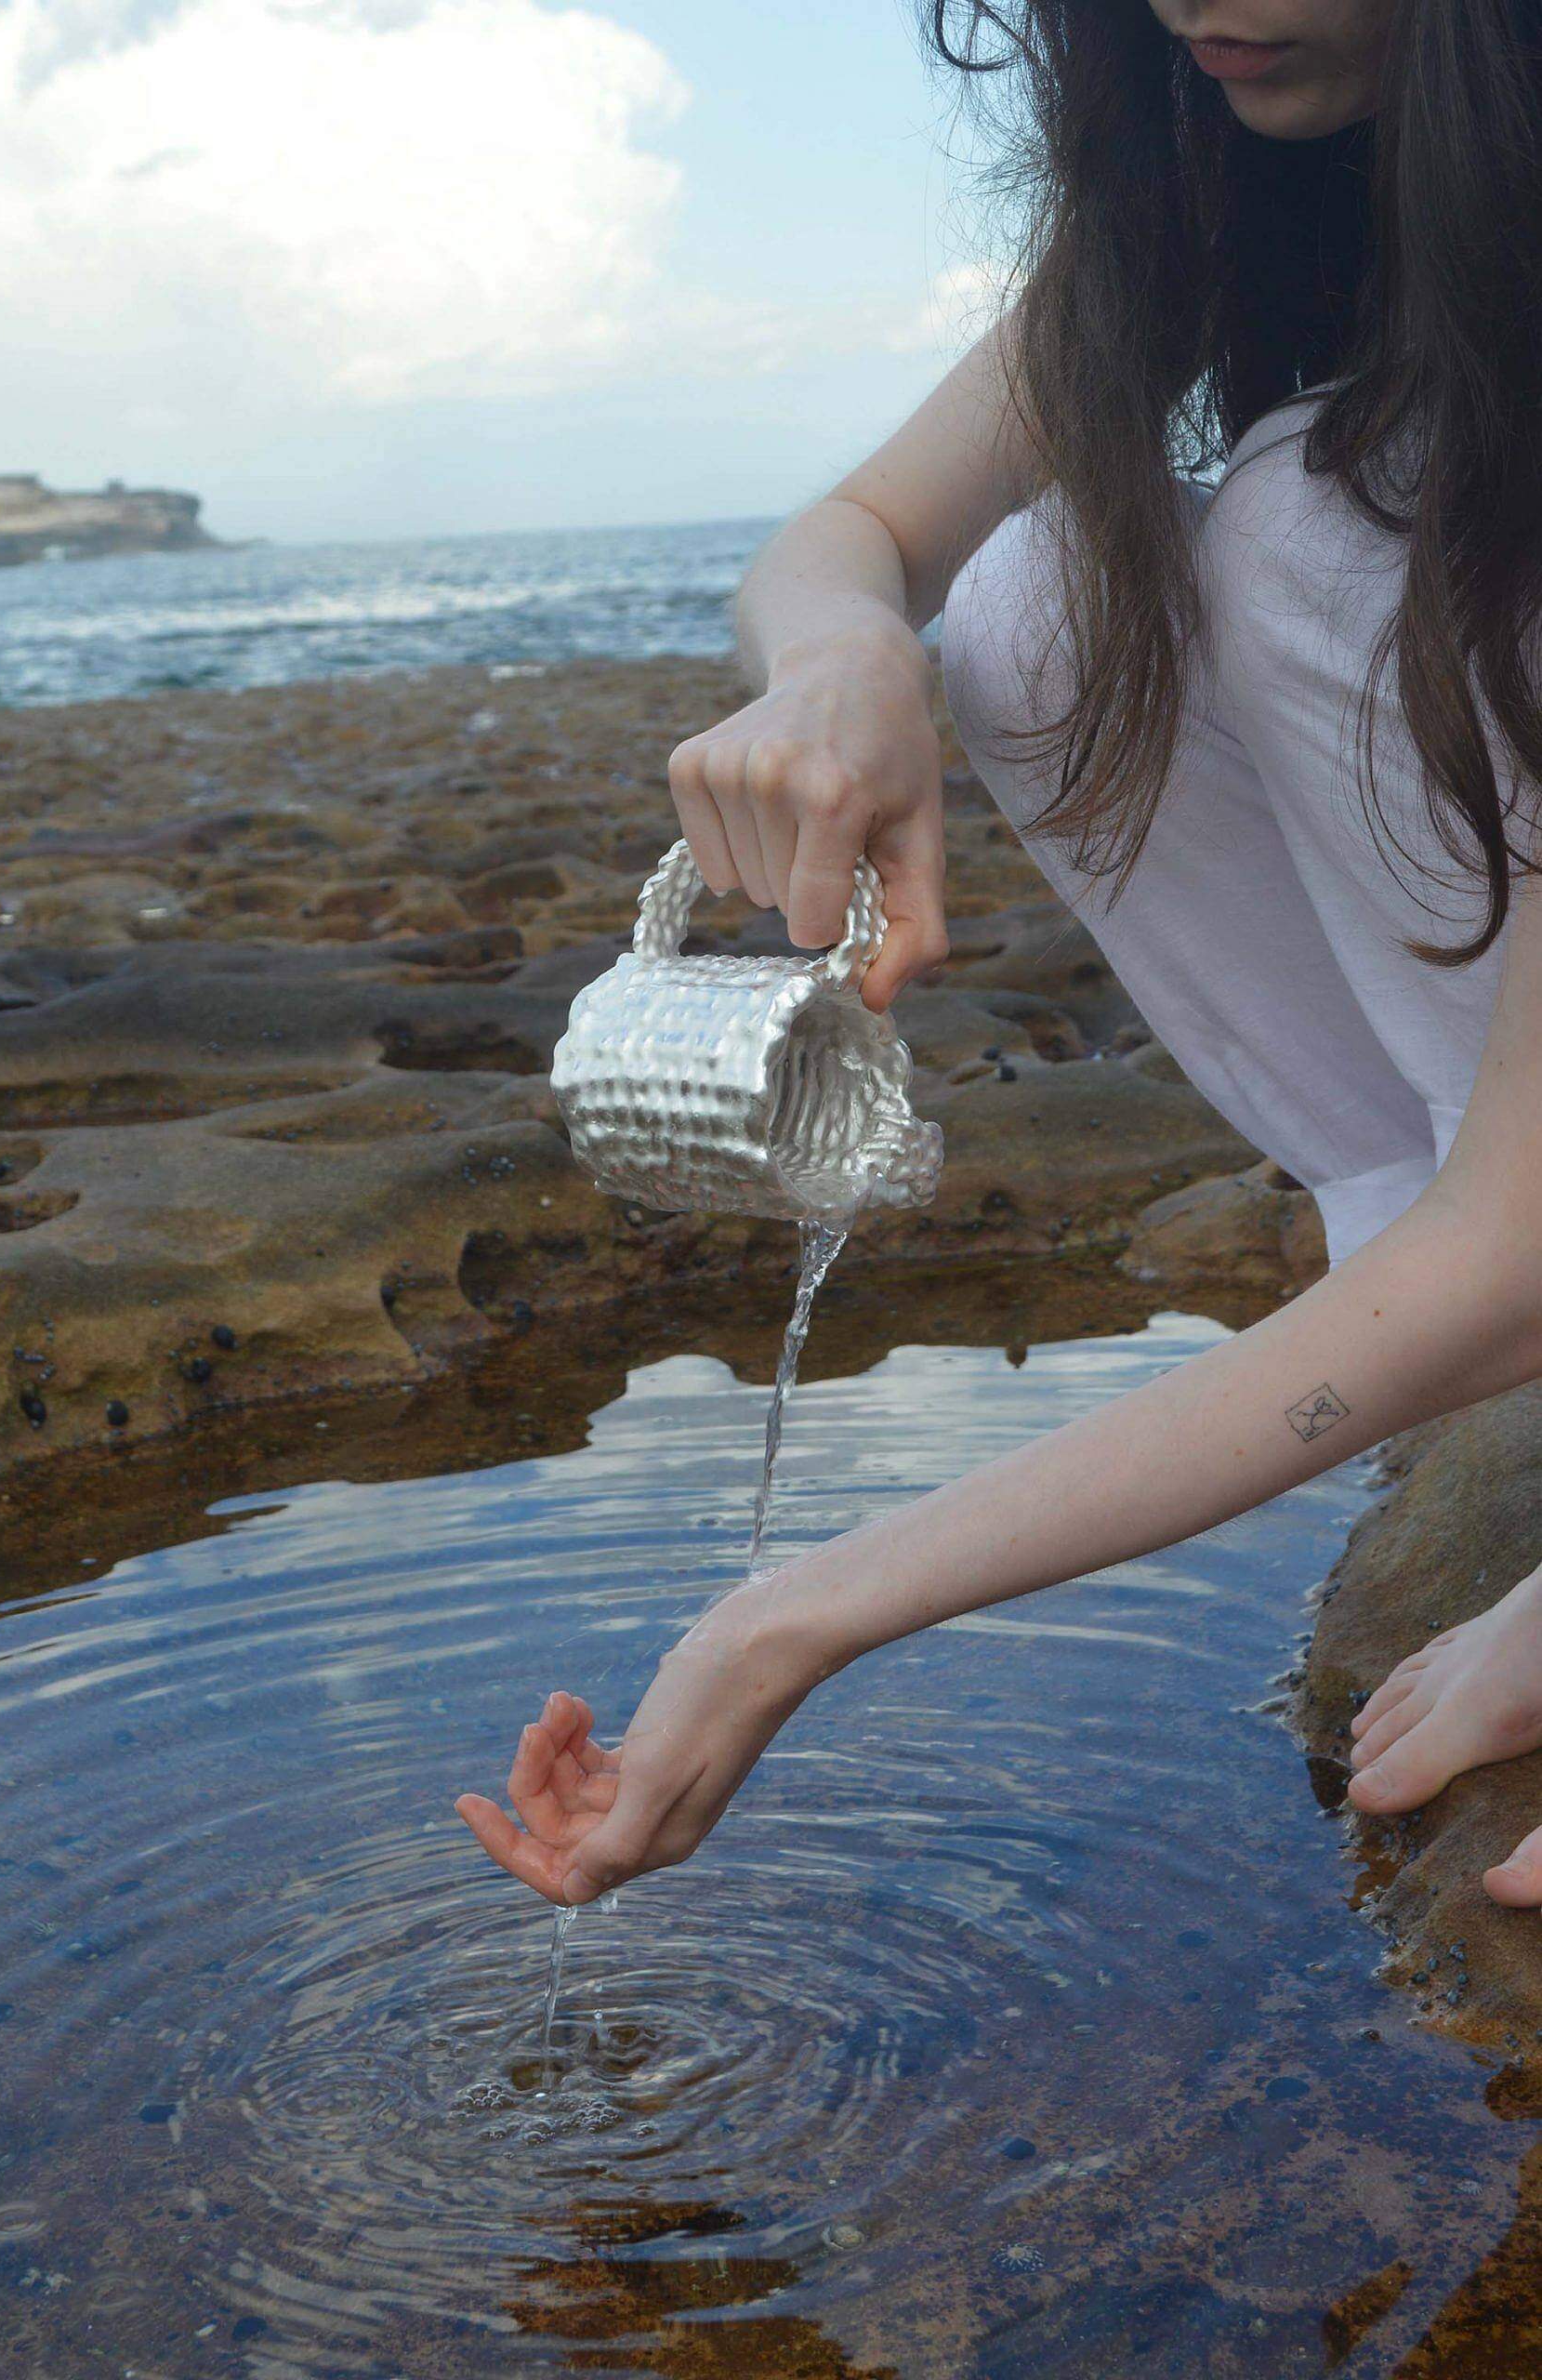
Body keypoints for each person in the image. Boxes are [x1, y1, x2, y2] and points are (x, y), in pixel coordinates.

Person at [457, 1, 1542, 1913]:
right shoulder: (1224, 158)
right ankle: (1436, 1278)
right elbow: (857, 528)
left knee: (1337, 517)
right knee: (1043, 599)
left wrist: (787, 1620)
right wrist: (845, 655)